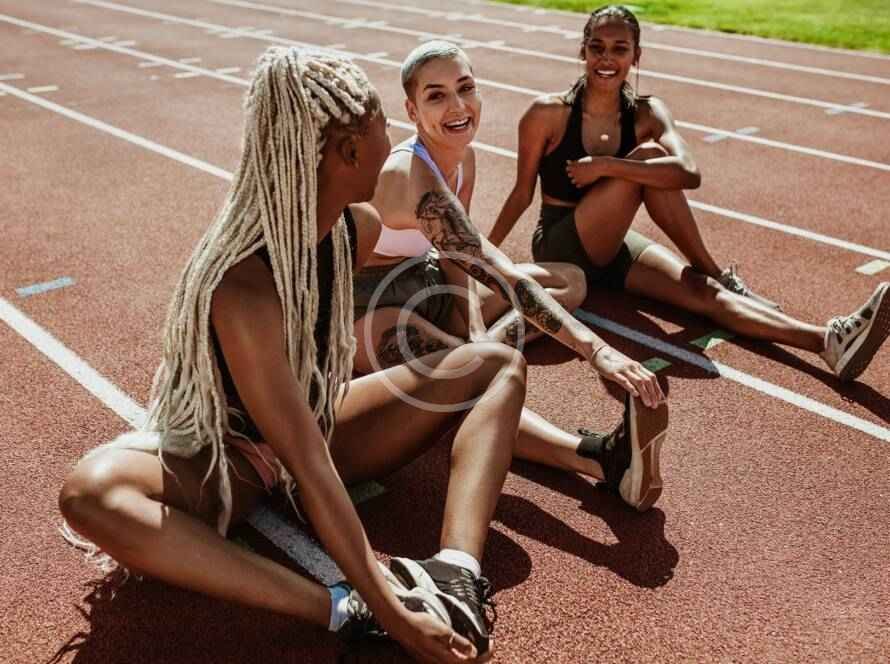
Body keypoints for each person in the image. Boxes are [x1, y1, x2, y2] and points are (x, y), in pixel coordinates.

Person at [57, 46, 534, 663]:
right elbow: (306, 463)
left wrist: (577, 341)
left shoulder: (352, 228)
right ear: (350, 153)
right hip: (236, 461)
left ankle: (456, 571)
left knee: (496, 363)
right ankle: (340, 609)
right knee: (89, 492)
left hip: (322, 422)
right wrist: (394, 613)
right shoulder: (244, 284)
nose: (393, 137)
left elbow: (462, 251)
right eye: (381, 124)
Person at [489, 4, 889, 384]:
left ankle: (825, 341)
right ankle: (718, 273)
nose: (606, 59)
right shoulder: (547, 114)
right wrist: (479, 260)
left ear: (636, 56)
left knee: (703, 292)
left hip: (614, 247)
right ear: (583, 51)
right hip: (562, 245)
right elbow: (521, 194)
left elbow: (688, 173)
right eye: (597, 47)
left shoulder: (647, 112)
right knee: (650, 158)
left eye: (619, 49)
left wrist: (606, 166)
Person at [352, 40, 669, 516]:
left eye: (465, 88)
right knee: (474, 382)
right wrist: (595, 350)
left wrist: (475, 330)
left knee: (569, 281)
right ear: (412, 111)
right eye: (436, 96)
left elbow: (458, 262)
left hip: (425, 278)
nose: (457, 106)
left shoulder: (462, 157)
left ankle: (481, 350)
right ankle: (602, 459)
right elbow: (494, 268)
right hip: (369, 307)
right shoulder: (408, 175)